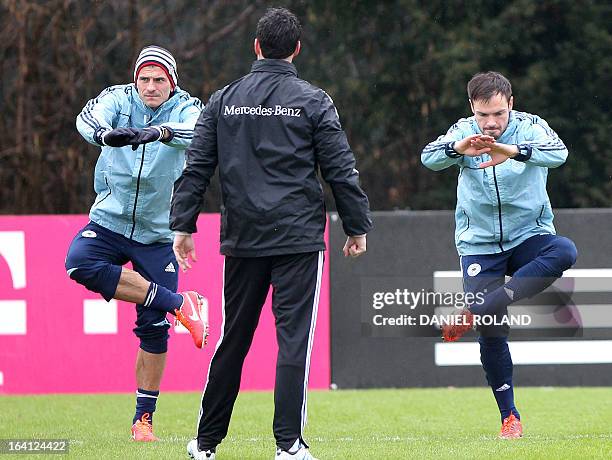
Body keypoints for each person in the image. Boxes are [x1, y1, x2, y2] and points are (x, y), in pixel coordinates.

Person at [170, 8, 373, 460]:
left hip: (243, 236)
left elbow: (197, 167)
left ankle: (205, 444)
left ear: (256, 47)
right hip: (298, 237)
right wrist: (356, 224)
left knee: (233, 339)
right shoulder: (314, 99)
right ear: (296, 50)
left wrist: (183, 224)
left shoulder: (223, 100)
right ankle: (288, 446)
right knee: (293, 341)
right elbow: (340, 170)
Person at [421, 71, 577, 439]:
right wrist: (456, 150)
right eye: (482, 115)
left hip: (529, 235)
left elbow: (559, 154)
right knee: (492, 330)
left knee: (564, 250)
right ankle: (510, 417)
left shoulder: (531, 127)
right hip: (480, 244)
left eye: (498, 114)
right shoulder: (462, 131)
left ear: (511, 104)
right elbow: (428, 157)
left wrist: (513, 151)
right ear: (472, 109)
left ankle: (478, 307)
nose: (490, 124)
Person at [65, 45, 208, 442]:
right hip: (108, 222)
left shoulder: (184, 106)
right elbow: (86, 118)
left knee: (153, 329)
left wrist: (159, 132)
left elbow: (200, 131)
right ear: (135, 79)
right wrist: (105, 134)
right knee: (78, 262)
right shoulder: (117, 97)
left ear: (172, 82)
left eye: (159, 79)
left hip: (157, 233)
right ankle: (181, 303)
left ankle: (143, 419)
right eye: (144, 78)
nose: (150, 86)